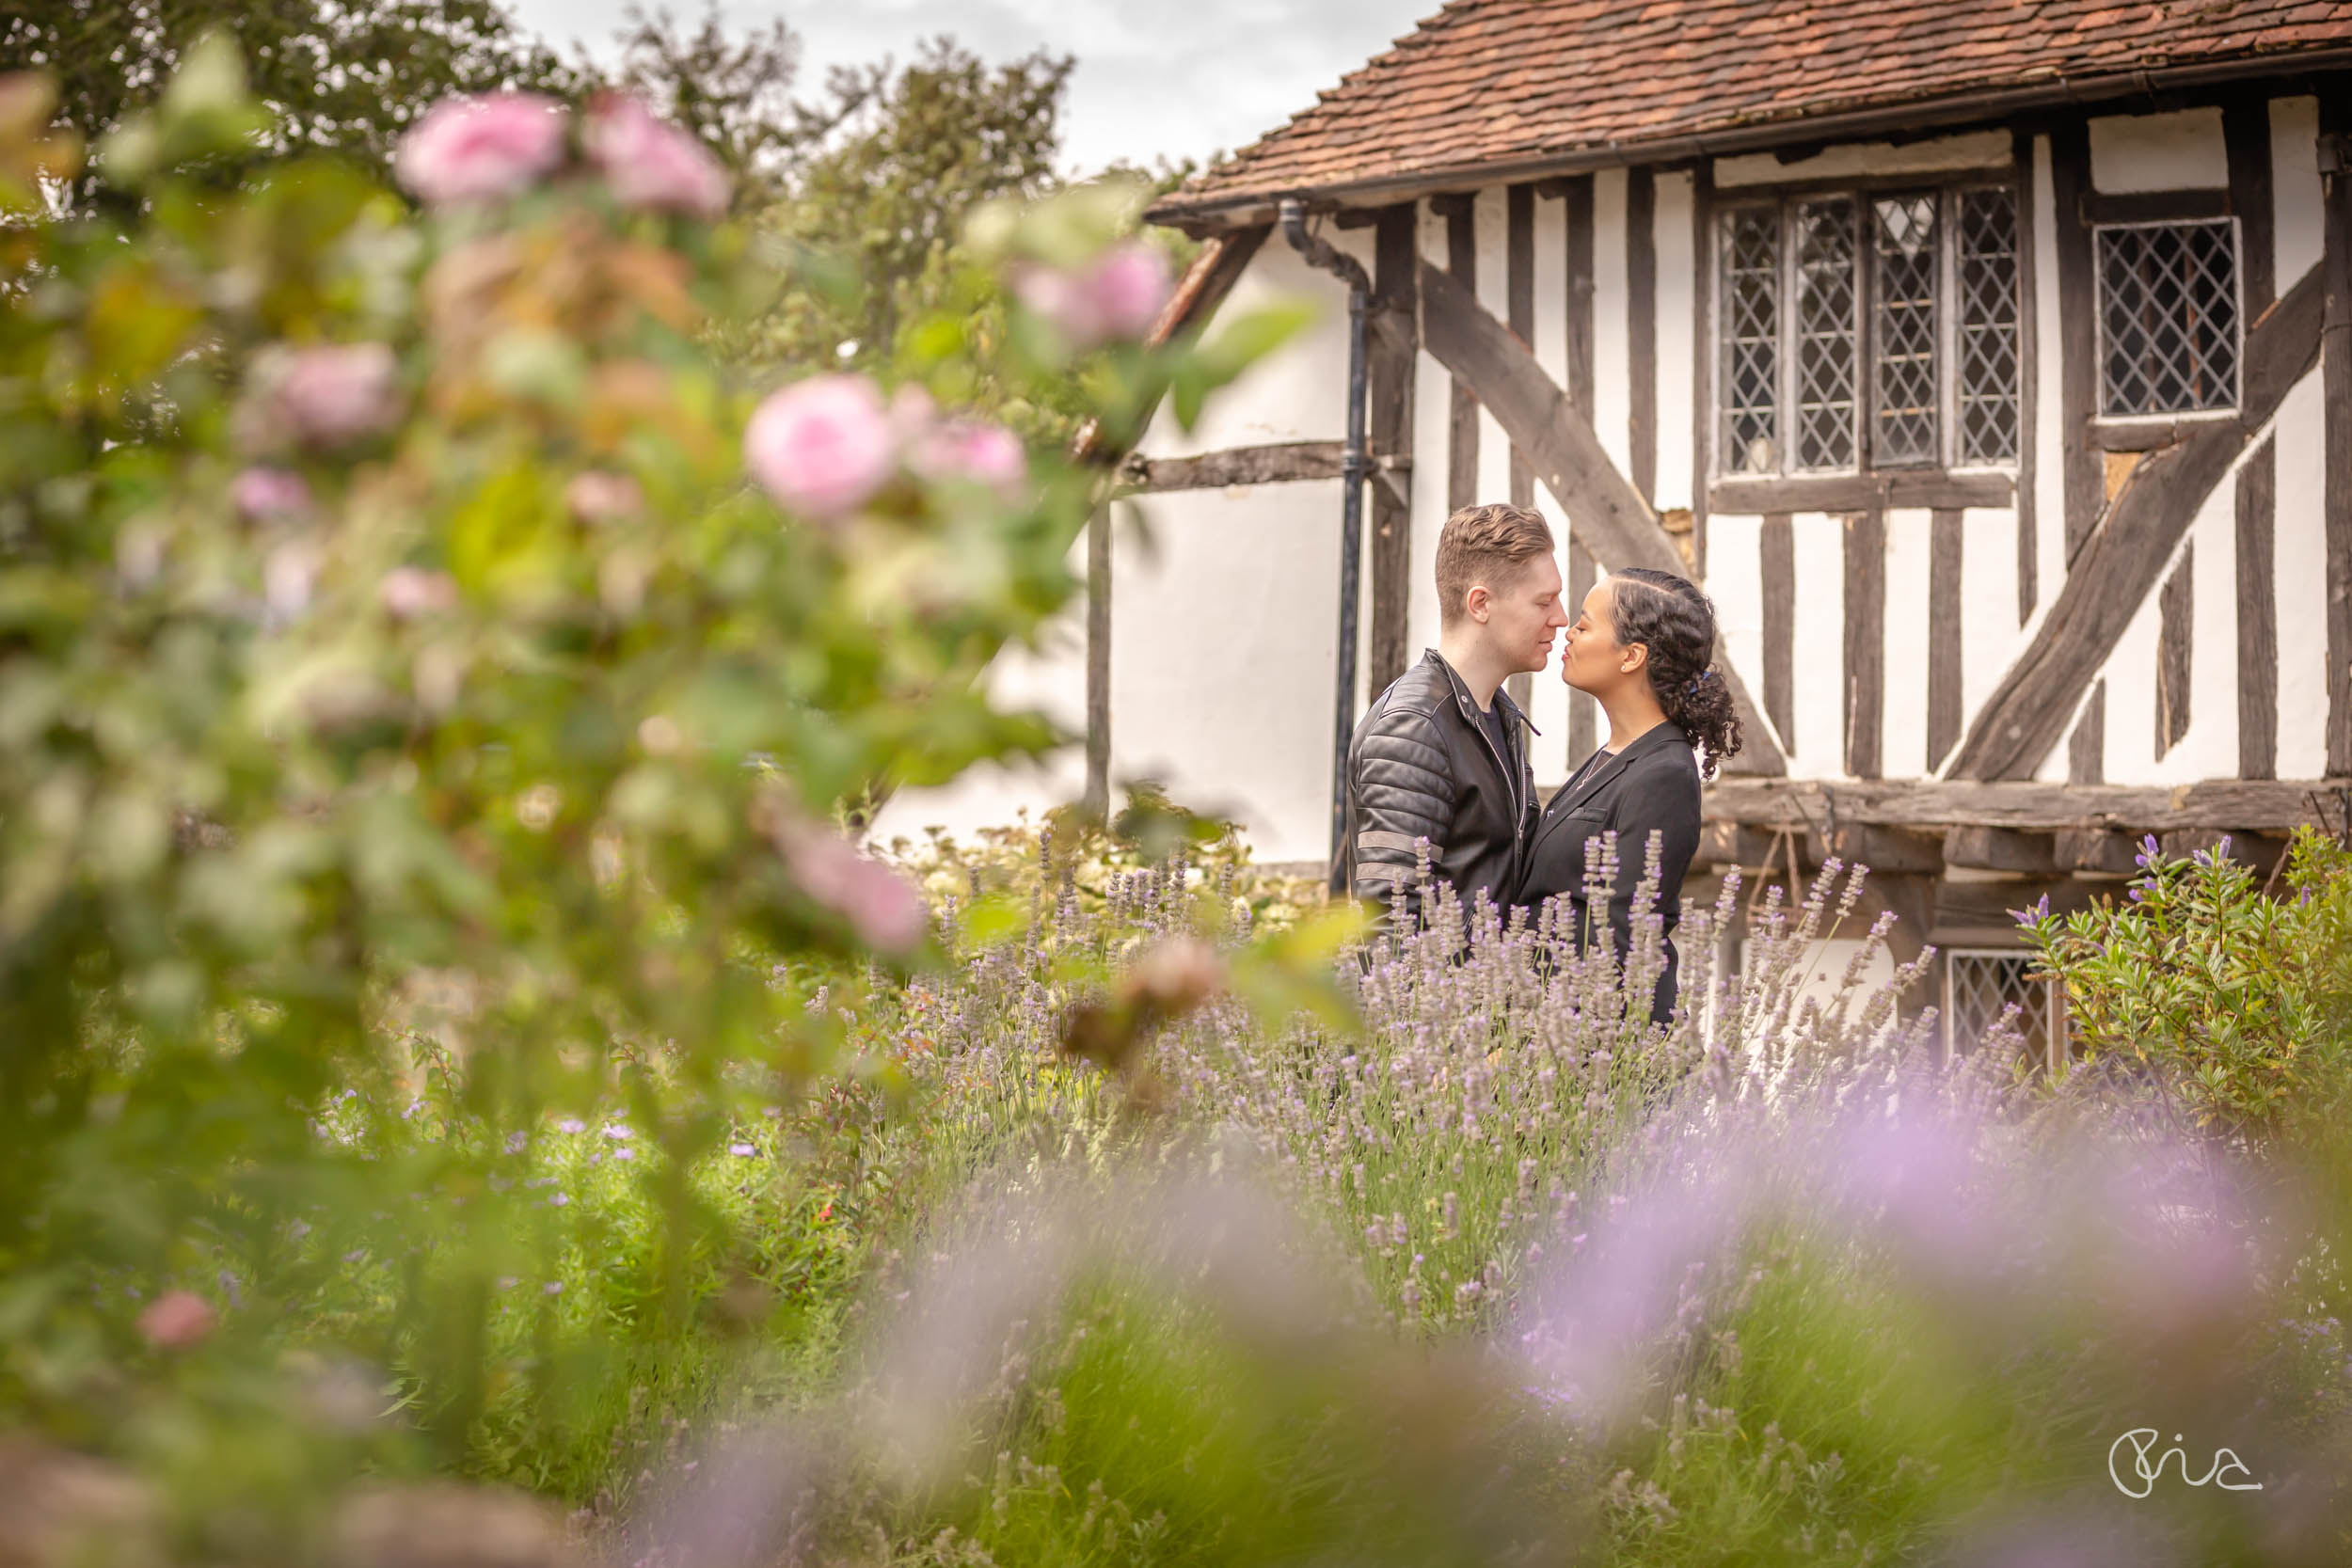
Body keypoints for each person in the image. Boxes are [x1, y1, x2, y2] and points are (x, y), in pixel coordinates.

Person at [1515, 567, 1743, 1023]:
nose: (1569, 630)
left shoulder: (1664, 775)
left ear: (1631, 656)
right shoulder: (1614, 755)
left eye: (1585, 623)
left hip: (1591, 1052)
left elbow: (1625, 938)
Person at [1343, 503, 1568, 934]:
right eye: (1544, 601)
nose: (1559, 618)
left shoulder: (1492, 713)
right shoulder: (1413, 729)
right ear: (1480, 603)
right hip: (1443, 1001)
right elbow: (1389, 922)